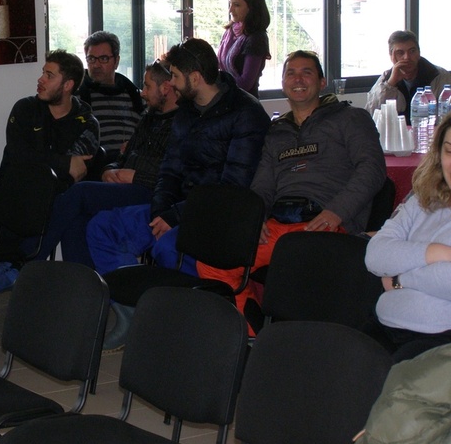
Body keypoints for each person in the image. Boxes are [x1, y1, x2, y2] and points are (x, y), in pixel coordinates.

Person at [86, 38, 270, 350]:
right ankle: (134, 314)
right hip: (176, 209)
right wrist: (161, 211)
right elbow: (169, 170)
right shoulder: (186, 111)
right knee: (101, 228)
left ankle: (187, 325)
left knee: (168, 247)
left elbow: (232, 186)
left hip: (215, 215)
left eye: (174, 76)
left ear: (195, 77)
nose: (169, 83)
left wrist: (174, 216)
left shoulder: (245, 113)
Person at [202, 50, 386, 324]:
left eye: (306, 72)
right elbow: (263, 185)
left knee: (291, 259)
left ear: (322, 82)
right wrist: (255, 219)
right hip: (281, 223)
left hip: (327, 224)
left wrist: (337, 212)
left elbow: (372, 169)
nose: (298, 79)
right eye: (291, 73)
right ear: (283, 82)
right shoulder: (277, 131)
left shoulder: (351, 118)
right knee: (213, 258)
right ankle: (250, 333)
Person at [25, 56, 178, 267]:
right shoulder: (149, 117)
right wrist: (109, 169)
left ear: (165, 88)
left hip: (154, 192)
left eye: (147, 86)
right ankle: (85, 282)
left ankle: (27, 260)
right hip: (129, 185)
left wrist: (135, 176)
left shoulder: (181, 124)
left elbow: (176, 175)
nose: (142, 93)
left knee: (80, 193)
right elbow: (124, 157)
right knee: (76, 219)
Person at [0, 49, 100, 293]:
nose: (40, 79)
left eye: (49, 75)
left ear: (68, 85)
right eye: (43, 72)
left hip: (55, 198)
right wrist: (63, 163)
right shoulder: (25, 109)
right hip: (15, 193)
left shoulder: (86, 122)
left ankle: (16, 266)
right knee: (68, 211)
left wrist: (49, 165)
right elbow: (18, 156)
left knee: (69, 209)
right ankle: (82, 290)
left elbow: (77, 171)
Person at [364, 113, 451, 362]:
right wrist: (435, 252)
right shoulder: (424, 198)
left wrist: (398, 279)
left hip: (437, 340)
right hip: (384, 324)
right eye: (449, 151)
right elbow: (376, 255)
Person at [78, 30, 144, 166]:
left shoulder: (136, 96)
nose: (96, 65)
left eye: (103, 59)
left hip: (131, 165)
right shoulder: (77, 97)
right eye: (91, 59)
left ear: (116, 61)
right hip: (93, 167)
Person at [365, 30, 451, 125]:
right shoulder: (386, 78)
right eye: (400, 53)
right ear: (392, 56)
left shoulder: (439, 75)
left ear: (419, 53)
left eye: (412, 51)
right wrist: (391, 84)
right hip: (397, 132)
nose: (407, 57)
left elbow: (446, 118)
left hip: (430, 132)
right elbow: (371, 113)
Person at [216, 0, 272, 98]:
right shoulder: (230, 31)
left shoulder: (257, 38)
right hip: (226, 100)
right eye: (230, 4)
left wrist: (214, 83)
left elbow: (245, 84)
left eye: (236, 5)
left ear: (251, 8)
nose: (230, 10)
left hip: (245, 103)